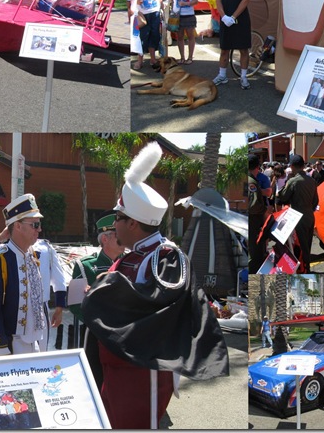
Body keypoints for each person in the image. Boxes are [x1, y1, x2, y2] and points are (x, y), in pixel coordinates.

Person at [82, 141, 229, 429]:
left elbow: (158, 307)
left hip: (140, 372)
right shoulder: (136, 255)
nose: (114, 226)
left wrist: (104, 288)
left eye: (119, 219)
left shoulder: (166, 257)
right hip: (116, 368)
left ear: (134, 224)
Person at [0, 193, 47, 355]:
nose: (39, 229)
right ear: (17, 226)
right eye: (35, 225)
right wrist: (0, 351)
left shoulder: (32, 256)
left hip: (35, 342)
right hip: (12, 346)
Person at [68, 212, 125, 389]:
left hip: (125, 333)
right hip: (95, 334)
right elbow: (75, 304)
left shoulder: (131, 262)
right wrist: (98, 322)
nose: (123, 239)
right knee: (96, 377)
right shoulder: (84, 266)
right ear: (105, 239)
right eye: (117, 235)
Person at [213, 0, 253, 89]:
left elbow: (245, 0)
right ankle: (222, 76)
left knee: (243, 49)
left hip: (241, 19)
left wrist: (233, 17)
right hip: (225, 20)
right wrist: (224, 16)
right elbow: (218, 0)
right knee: (224, 49)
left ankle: (243, 77)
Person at [275, 154, 318, 273]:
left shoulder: (293, 181)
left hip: (297, 218)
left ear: (293, 166)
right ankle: (306, 267)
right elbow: (315, 201)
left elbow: (283, 197)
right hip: (310, 216)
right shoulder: (312, 181)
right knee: (307, 245)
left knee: (300, 246)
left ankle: (305, 270)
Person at [130, 0, 163, 71]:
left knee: (154, 36)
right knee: (142, 37)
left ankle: (153, 59)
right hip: (142, 15)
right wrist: (136, 1)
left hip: (155, 12)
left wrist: (162, 9)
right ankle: (140, 60)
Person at [168, 0, 198, 64]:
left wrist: (186, 3)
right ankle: (182, 57)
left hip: (188, 14)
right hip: (177, 15)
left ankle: (190, 57)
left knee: (190, 36)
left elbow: (195, 0)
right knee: (179, 37)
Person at [248, 154, 272, 274]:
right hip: (255, 222)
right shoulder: (252, 182)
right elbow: (253, 206)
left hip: (252, 221)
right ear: (257, 167)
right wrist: (264, 210)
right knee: (257, 252)